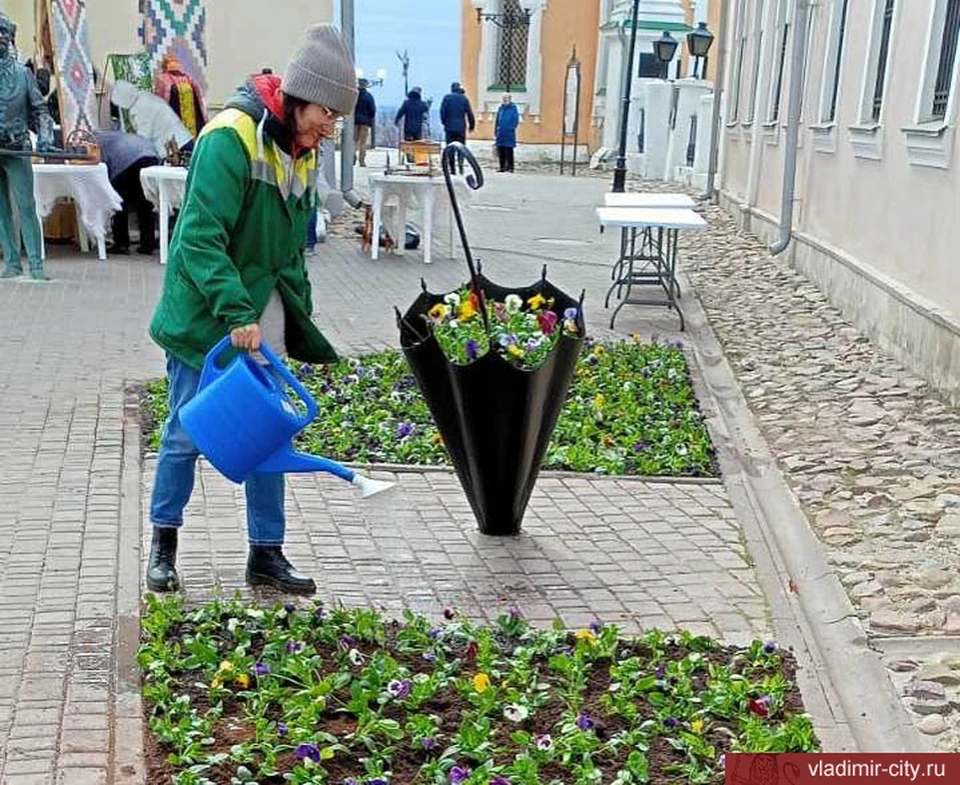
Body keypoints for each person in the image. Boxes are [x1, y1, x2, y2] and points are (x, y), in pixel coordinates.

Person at [146, 24, 357, 595]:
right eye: (325, 113)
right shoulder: (230, 138)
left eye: (336, 118)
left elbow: (289, 249)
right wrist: (238, 312)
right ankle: (163, 544)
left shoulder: (301, 150)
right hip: (204, 314)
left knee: (269, 435)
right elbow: (199, 238)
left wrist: (296, 316)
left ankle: (266, 552)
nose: (329, 127)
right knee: (187, 432)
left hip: (256, 314)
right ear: (297, 96)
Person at [0, 13, 56, 281]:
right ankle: (11, 262)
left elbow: (41, 111)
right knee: (1, 209)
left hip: (17, 148)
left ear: (9, 40)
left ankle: (35, 264)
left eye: (2, 35)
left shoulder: (24, 75)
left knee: (25, 204)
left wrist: (45, 137)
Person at [94, 130, 159, 254]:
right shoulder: (115, 135)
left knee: (119, 202)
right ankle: (148, 244)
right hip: (151, 156)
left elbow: (103, 169)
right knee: (145, 203)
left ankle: (121, 243)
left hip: (127, 162)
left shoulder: (95, 143)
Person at [110, 80, 195, 161]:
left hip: (177, 146)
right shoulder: (143, 97)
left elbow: (143, 138)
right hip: (181, 139)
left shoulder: (140, 107)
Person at [439, 81, 475, 146]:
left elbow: (442, 111)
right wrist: (471, 125)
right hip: (461, 127)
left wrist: (444, 122)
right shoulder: (464, 99)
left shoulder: (447, 98)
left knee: (450, 146)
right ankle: (460, 156)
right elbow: (470, 113)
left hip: (449, 127)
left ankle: (450, 156)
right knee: (460, 147)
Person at [354, 77, 376, 166]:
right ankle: (361, 161)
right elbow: (372, 110)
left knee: (353, 140)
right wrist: (370, 119)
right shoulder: (369, 96)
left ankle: (352, 156)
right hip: (365, 122)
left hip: (354, 122)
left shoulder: (354, 95)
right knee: (363, 142)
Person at [495, 93, 519, 173]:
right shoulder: (501, 108)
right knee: (501, 150)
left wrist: (511, 128)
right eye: (504, 98)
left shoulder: (513, 108)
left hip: (509, 133)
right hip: (501, 132)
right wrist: (496, 130)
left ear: (510, 99)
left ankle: (510, 167)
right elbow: (497, 120)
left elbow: (515, 120)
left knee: (509, 150)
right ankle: (502, 167)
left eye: (507, 98)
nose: (505, 99)